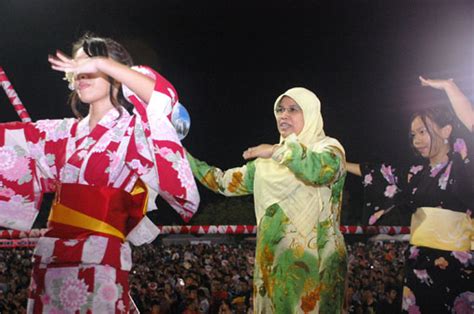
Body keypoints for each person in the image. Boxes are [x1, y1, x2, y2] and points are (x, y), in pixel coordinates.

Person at [0, 33, 199, 312]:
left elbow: (163, 101)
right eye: (76, 69)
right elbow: (9, 145)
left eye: (90, 67)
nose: (80, 74)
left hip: (100, 256)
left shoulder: (134, 131)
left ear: (112, 71)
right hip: (51, 256)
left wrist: (103, 63)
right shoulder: (62, 133)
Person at [187, 87, 347, 313]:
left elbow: (318, 171)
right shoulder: (264, 164)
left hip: (317, 266)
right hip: (274, 267)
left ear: (310, 113)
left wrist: (276, 151)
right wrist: (182, 157)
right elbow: (222, 182)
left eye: (293, 109)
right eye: (280, 109)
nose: (284, 115)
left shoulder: (328, 149)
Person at [346, 77, 474, 313]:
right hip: (418, 263)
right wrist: (341, 164)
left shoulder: (463, 164)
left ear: (446, 130)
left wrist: (450, 87)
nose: (416, 140)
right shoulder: (415, 174)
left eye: (423, 132)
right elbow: (378, 173)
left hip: (457, 265)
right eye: (413, 134)